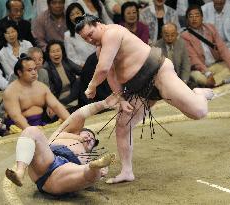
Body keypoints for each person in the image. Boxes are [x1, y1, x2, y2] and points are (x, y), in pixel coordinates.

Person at [75, 14, 214, 184]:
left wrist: (91, 86)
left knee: (199, 112)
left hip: (157, 73)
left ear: (98, 24)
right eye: (85, 39)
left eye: (90, 34)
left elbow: (102, 69)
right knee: (122, 125)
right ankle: (127, 171)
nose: (90, 40)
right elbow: (111, 74)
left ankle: (199, 94)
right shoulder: (100, 49)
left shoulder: (112, 33)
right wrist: (121, 99)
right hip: (137, 89)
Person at [5, 94, 118, 195]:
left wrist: (102, 171)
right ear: (78, 131)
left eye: (92, 140)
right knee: (31, 131)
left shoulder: (87, 157)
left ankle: (94, 168)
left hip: (63, 173)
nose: (90, 137)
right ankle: (19, 172)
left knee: (93, 173)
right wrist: (104, 104)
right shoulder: (61, 133)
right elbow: (80, 114)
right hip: (47, 158)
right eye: (87, 134)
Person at [3, 56, 70, 130]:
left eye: (35, 69)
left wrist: (70, 121)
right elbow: (16, 116)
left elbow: (57, 106)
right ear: (20, 72)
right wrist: (32, 131)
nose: (34, 72)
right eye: (29, 70)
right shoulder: (11, 91)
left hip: (41, 123)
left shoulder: (41, 87)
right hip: (19, 127)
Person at [181, 4, 230, 87]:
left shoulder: (210, 28)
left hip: (215, 64)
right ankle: (222, 81)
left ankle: (218, 82)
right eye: (191, 16)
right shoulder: (185, 36)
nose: (194, 19)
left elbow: (222, 48)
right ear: (187, 20)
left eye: (197, 15)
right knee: (202, 79)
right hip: (200, 69)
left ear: (202, 17)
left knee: (227, 68)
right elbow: (194, 59)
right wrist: (208, 73)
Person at [0, 0, 35, 69]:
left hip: (26, 61)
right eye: (15, 10)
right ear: (8, 11)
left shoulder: (26, 24)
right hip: (4, 62)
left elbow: (33, 44)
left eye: (21, 10)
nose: (19, 13)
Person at [44, 40, 81, 111]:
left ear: (62, 52)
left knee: (81, 79)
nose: (56, 54)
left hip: (73, 94)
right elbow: (49, 91)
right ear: (48, 54)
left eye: (58, 50)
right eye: (53, 51)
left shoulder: (66, 62)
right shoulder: (46, 69)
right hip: (59, 99)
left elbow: (81, 71)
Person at [64, 3, 96, 67]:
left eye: (78, 13)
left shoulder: (92, 27)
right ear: (69, 18)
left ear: (83, 14)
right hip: (84, 68)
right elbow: (72, 58)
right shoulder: (68, 35)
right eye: (72, 15)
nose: (76, 16)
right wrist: (87, 67)